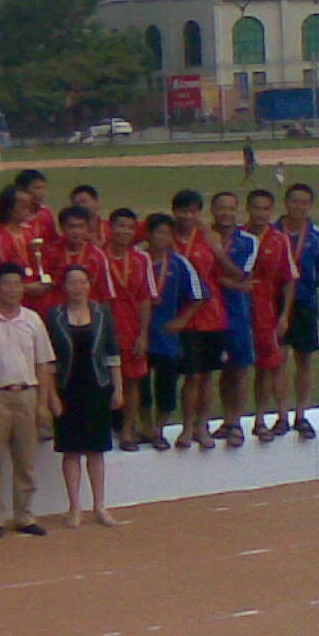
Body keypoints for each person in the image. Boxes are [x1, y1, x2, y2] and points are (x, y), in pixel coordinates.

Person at [0, 263, 58, 539]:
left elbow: (43, 364)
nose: (13, 290)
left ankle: (24, 516)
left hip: (27, 394)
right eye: (7, 284)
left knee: (26, 462)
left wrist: (42, 403)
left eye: (18, 284)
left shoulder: (33, 320)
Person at [45, 267, 123, 528]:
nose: (78, 287)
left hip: (97, 387)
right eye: (73, 282)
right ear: (64, 287)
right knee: (71, 450)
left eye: (83, 282)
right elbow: (49, 360)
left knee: (96, 450)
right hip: (67, 388)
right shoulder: (54, 316)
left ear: (89, 285)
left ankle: (100, 505)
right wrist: (52, 396)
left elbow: (112, 353)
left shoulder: (102, 313)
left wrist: (118, 389)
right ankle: (74, 507)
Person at [277, 183, 319, 439]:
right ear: (286, 203)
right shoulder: (272, 232)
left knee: (304, 359)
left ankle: (301, 414)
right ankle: (281, 415)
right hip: (274, 304)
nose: (299, 207)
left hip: (305, 304)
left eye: (304, 203)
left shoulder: (317, 236)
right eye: (295, 201)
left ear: (310, 206)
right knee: (278, 361)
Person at [170, 189, 235, 450]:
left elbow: (227, 272)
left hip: (211, 316)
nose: (188, 216)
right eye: (183, 211)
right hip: (183, 317)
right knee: (191, 376)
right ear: (174, 212)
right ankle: (187, 427)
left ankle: (202, 426)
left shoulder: (208, 237)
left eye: (193, 211)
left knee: (207, 375)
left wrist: (217, 249)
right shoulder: (167, 237)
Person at [144, 213, 202, 451]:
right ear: (148, 235)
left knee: (166, 386)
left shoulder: (179, 263)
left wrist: (181, 321)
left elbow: (198, 295)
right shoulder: (138, 260)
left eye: (167, 233)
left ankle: (159, 429)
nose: (163, 238)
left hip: (166, 337)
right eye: (158, 232)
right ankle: (145, 427)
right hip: (140, 334)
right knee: (140, 385)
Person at [245, 189, 298, 440]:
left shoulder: (279, 240)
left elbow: (289, 279)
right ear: (248, 209)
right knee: (237, 368)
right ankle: (234, 421)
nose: (261, 213)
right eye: (256, 208)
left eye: (265, 209)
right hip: (239, 308)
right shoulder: (239, 236)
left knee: (268, 365)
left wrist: (284, 315)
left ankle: (264, 418)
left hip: (266, 310)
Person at [211, 192, 259, 447]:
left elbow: (241, 275)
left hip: (236, 314)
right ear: (213, 210)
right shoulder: (202, 237)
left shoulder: (248, 241)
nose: (226, 213)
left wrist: (218, 255)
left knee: (238, 368)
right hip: (208, 314)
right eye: (221, 208)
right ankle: (224, 420)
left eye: (231, 208)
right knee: (217, 371)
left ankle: (235, 422)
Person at [102, 208, 153, 450]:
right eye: (120, 226)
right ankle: (102, 430)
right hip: (103, 327)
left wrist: (143, 333)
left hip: (131, 327)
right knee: (102, 381)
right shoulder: (97, 255)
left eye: (130, 227)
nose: (124, 231)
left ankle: (127, 431)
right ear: (110, 228)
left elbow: (145, 297)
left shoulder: (141, 259)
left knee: (132, 380)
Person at [41, 205, 115, 310]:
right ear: (62, 228)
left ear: (88, 228)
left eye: (81, 226)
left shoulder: (97, 255)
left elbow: (105, 292)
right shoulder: (49, 252)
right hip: (58, 311)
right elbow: (42, 284)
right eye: (71, 227)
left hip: (88, 311)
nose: (76, 231)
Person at [0, 184, 47, 304]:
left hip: (35, 301)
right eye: (23, 206)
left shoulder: (30, 232)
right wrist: (25, 288)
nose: (28, 210)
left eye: (29, 206)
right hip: (8, 302)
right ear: (9, 207)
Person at [15, 168, 58, 245]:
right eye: (37, 188)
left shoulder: (46, 212)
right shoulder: (12, 216)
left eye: (43, 188)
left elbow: (54, 240)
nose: (42, 193)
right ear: (22, 189)